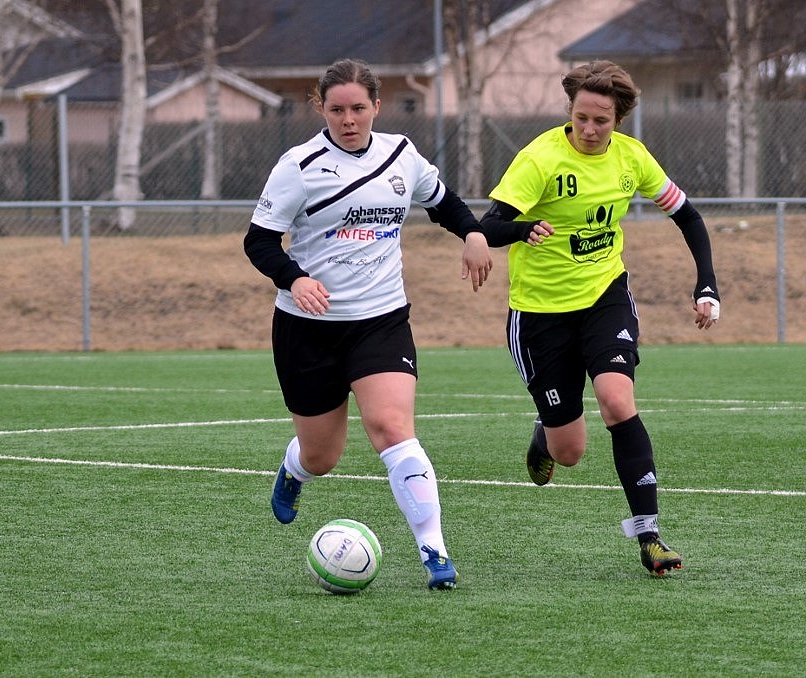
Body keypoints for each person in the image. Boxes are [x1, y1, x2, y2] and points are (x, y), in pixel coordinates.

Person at [243, 58, 493, 590]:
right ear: (321, 109)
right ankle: (295, 469)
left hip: (381, 320)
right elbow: (259, 241)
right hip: (308, 327)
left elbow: (444, 203)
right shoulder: (299, 165)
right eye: (337, 109)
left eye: (358, 108)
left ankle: (434, 552)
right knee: (322, 456)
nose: (348, 119)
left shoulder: (401, 154)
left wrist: (473, 233)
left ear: (377, 106)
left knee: (392, 429)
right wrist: (294, 278)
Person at [479, 60, 720, 575]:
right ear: (570, 112)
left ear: (619, 120)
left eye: (601, 121)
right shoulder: (540, 158)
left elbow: (688, 215)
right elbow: (488, 227)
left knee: (616, 400)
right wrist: (521, 229)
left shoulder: (632, 158)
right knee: (569, 452)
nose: (589, 129)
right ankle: (546, 432)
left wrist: (706, 283)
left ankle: (649, 536)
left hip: (604, 298)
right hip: (540, 315)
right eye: (581, 118)